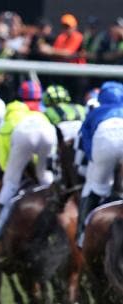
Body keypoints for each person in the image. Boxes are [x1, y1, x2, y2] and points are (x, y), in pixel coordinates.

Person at [0, 100, 58, 239]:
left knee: (10, 181)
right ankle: (53, 199)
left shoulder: (6, 124)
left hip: (25, 135)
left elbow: (4, 161)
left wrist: (14, 170)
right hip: (48, 131)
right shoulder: (36, 114)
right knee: (44, 174)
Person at [76, 81, 123, 246]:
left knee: (96, 187)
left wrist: (93, 161)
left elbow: (85, 141)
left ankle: (82, 235)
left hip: (103, 144)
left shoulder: (95, 112)